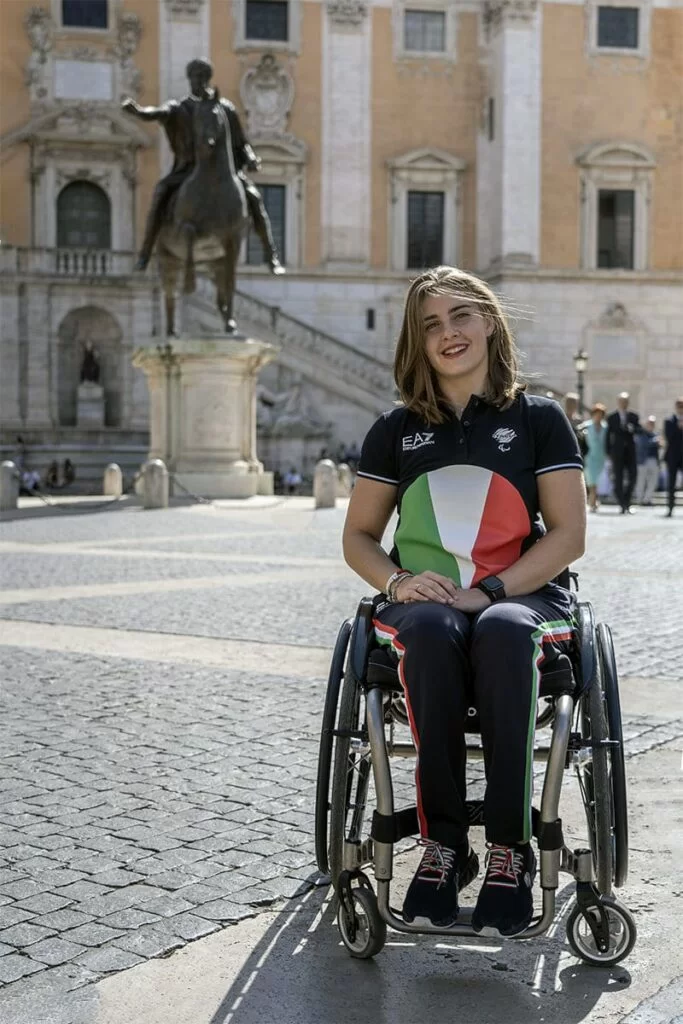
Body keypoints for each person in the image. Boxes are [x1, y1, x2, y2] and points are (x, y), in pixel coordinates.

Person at [343, 266, 585, 936]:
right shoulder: (394, 429)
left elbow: (567, 534)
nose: (447, 333)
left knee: (505, 630)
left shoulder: (537, 418)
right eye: (430, 324)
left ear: (488, 322)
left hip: (521, 596)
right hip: (425, 603)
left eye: (460, 316)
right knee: (424, 624)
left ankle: (508, 845)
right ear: (415, 343)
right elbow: (359, 537)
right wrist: (394, 582)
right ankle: (444, 846)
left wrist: (493, 589)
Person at [122, 58, 284, 275]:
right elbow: (159, 112)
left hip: (223, 171)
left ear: (208, 80)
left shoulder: (225, 109)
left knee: (255, 198)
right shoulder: (180, 108)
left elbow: (241, 142)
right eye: (194, 78)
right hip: (188, 169)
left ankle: (270, 254)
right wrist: (139, 112)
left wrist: (252, 158)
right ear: (189, 80)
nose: (198, 82)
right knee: (160, 193)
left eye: (202, 78)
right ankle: (145, 253)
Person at [606, 393, 641, 514]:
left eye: (625, 401)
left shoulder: (634, 416)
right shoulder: (612, 417)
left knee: (633, 476)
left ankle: (627, 500)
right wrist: (608, 452)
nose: (623, 404)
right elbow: (607, 436)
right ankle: (622, 504)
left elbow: (639, 430)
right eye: (621, 401)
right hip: (617, 452)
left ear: (628, 402)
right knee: (618, 479)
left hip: (630, 452)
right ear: (618, 402)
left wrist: (633, 428)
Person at [582, 403, 608, 512]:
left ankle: (593, 501)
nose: (598, 416)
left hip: (601, 457)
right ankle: (593, 501)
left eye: (600, 414)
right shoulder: (586, 426)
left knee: (597, 481)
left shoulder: (606, 427)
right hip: (590, 457)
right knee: (591, 481)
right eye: (596, 414)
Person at [635, 416, 661, 506]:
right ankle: (639, 499)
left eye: (653, 424)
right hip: (643, 460)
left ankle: (647, 499)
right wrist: (655, 441)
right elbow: (643, 444)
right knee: (641, 480)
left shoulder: (655, 434)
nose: (651, 425)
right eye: (650, 423)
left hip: (653, 460)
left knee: (653, 481)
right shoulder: (642, 433)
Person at [664, 397, 683, 517]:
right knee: (671, 484)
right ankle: (670, 508)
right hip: (673, 456)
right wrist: (679, 427)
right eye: (680, 406)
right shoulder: (669, 421)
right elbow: (669, 436)